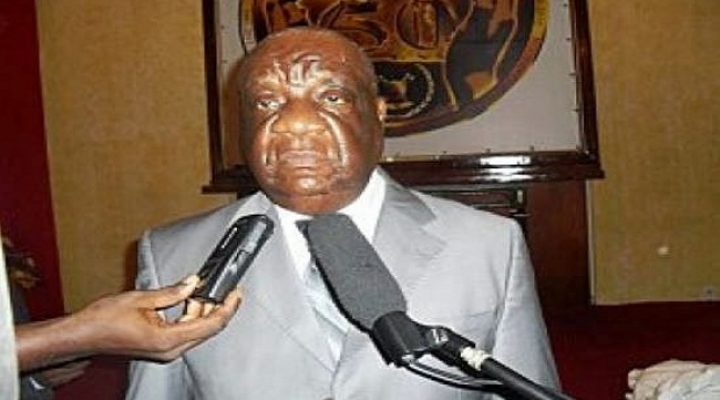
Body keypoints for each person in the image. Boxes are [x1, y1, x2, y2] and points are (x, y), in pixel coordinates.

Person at [126, 27, 559, 399]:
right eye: (266, 102)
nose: (295, 122)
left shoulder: (488, 246)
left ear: (378, 114)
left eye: (332, 97)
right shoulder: (172, 257)